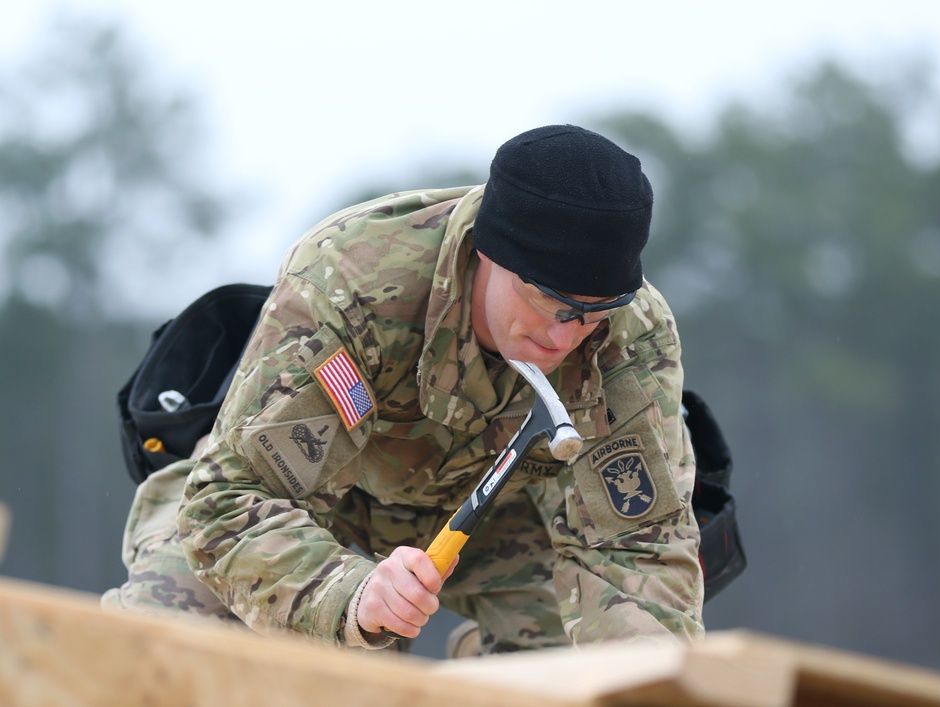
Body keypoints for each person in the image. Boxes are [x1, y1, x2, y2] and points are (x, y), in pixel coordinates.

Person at [103, 124, 704, 654]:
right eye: (550, 301)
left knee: (573, 679)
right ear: (490, 255)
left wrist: (647, 684)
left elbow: (637, 547)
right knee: (162, 642)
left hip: (505, 529)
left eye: (594, 312)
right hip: (311, 504)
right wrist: (350, 597)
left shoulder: (630, 335)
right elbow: (229, 502)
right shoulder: (352, 282)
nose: (566, 333)